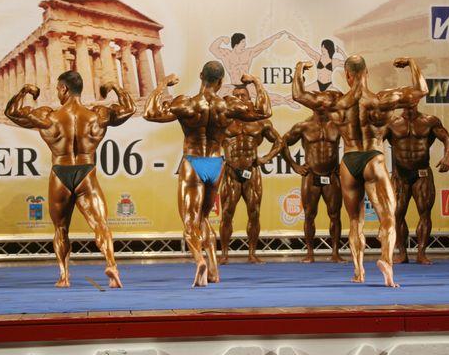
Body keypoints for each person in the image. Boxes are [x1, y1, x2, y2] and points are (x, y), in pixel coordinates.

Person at [292, 55, 428, 287]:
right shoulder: (382, 99)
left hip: (349, 161)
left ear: (347, 75)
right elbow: (421, 90)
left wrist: (299, 69)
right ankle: (386, 262)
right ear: (367, 73)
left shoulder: (335, 101)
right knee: (388, 217)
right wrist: (411, 64)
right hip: (373, 157)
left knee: (355, 220)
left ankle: (358, 270)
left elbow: (299, 95)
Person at [143, 61, 272, 287]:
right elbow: (265, 111)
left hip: (193, 162)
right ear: (221, 81)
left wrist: (163, 84)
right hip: (215, 164)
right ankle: (213, 268)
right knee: (203, 218)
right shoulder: (228, 104)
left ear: (201, 75)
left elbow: (150, 113)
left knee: (189, 221)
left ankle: (199, 260)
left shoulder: (187, 103)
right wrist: (256, 83)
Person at [5, 72, 135, 288]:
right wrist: (114, 86)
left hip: (60, 173)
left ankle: (64, 276)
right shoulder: (97, 115)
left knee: (61, 229)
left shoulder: (48, 116)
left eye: (58, 89)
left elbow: (11, 112)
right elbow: (130, 108)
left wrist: (25, 91)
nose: (57, 93)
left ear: (64, 89)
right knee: (100, 224)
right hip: (86, 172)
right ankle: (111, 264)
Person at [281, 64, 344, 262]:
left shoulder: (339, 125)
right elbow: (282, 143)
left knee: (335, 215)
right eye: (319, 101)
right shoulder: (304, 126)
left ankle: (335, 252)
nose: (323, 104)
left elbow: (355, 142)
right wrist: (294, 165)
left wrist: (345, 165)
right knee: (309, 214)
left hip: (332, 175)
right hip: (311, 176)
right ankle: (310, 253)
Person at [219, 85, 282, 264]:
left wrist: (267, 157)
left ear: (249, 98)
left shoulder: (260, 122)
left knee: (254, 213)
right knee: (227, 213)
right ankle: (224, 254)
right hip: (231, 172)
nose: (240, 98)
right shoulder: (222, 121)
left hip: (252, 171)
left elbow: (279, 141)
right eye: (236, 95)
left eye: (243, 95)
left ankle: (252, 253)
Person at [385, 104, 449, 264]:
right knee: (397, 214)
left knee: (425, 213)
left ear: (416, 101)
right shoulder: (391, 122)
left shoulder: (430, 121)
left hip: (422, 174)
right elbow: (374, 143)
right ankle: (402, 253)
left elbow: (447, 139)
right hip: (400, 174)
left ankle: (421, 253)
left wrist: (447, 157)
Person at [209, 32, 285, 86]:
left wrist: (275, 37)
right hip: (234, 85)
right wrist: (221, 38)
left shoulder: (248, 53)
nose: (245, 44)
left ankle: (287, 100)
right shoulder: (227, 54)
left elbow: (263, 45)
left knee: (271, 97)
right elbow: (212, 49)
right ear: (236, 43)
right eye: (243, 42)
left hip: (247, 85)